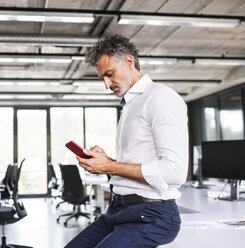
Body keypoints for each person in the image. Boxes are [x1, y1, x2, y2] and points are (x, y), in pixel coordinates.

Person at [65, 35, 188, 248]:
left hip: (151, 215)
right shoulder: (131, 104)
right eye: (102, 77)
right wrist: (107, 162)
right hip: (117, 211)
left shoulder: (160, 98)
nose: (106, 84)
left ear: (129, 62)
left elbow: (175, 171)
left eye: (109, 75)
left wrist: (110, 166)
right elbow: (135, 163)